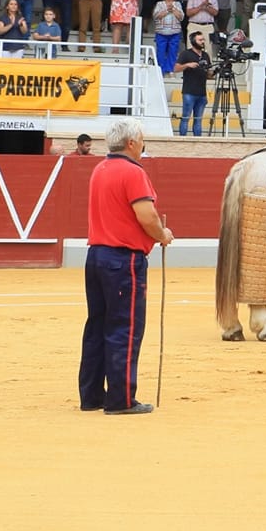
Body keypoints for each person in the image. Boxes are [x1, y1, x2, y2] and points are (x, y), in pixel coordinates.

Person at [77, 120, 173, 415]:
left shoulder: (100, 169)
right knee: (124, 327)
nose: (143, 145)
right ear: (131, 143)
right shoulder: (133, 172)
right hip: (123, 261)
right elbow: (146, 214)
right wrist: (162, 235)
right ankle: (121, 399)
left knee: (97, 326)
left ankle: (92, 395)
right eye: (141, 140)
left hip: (96, 256)